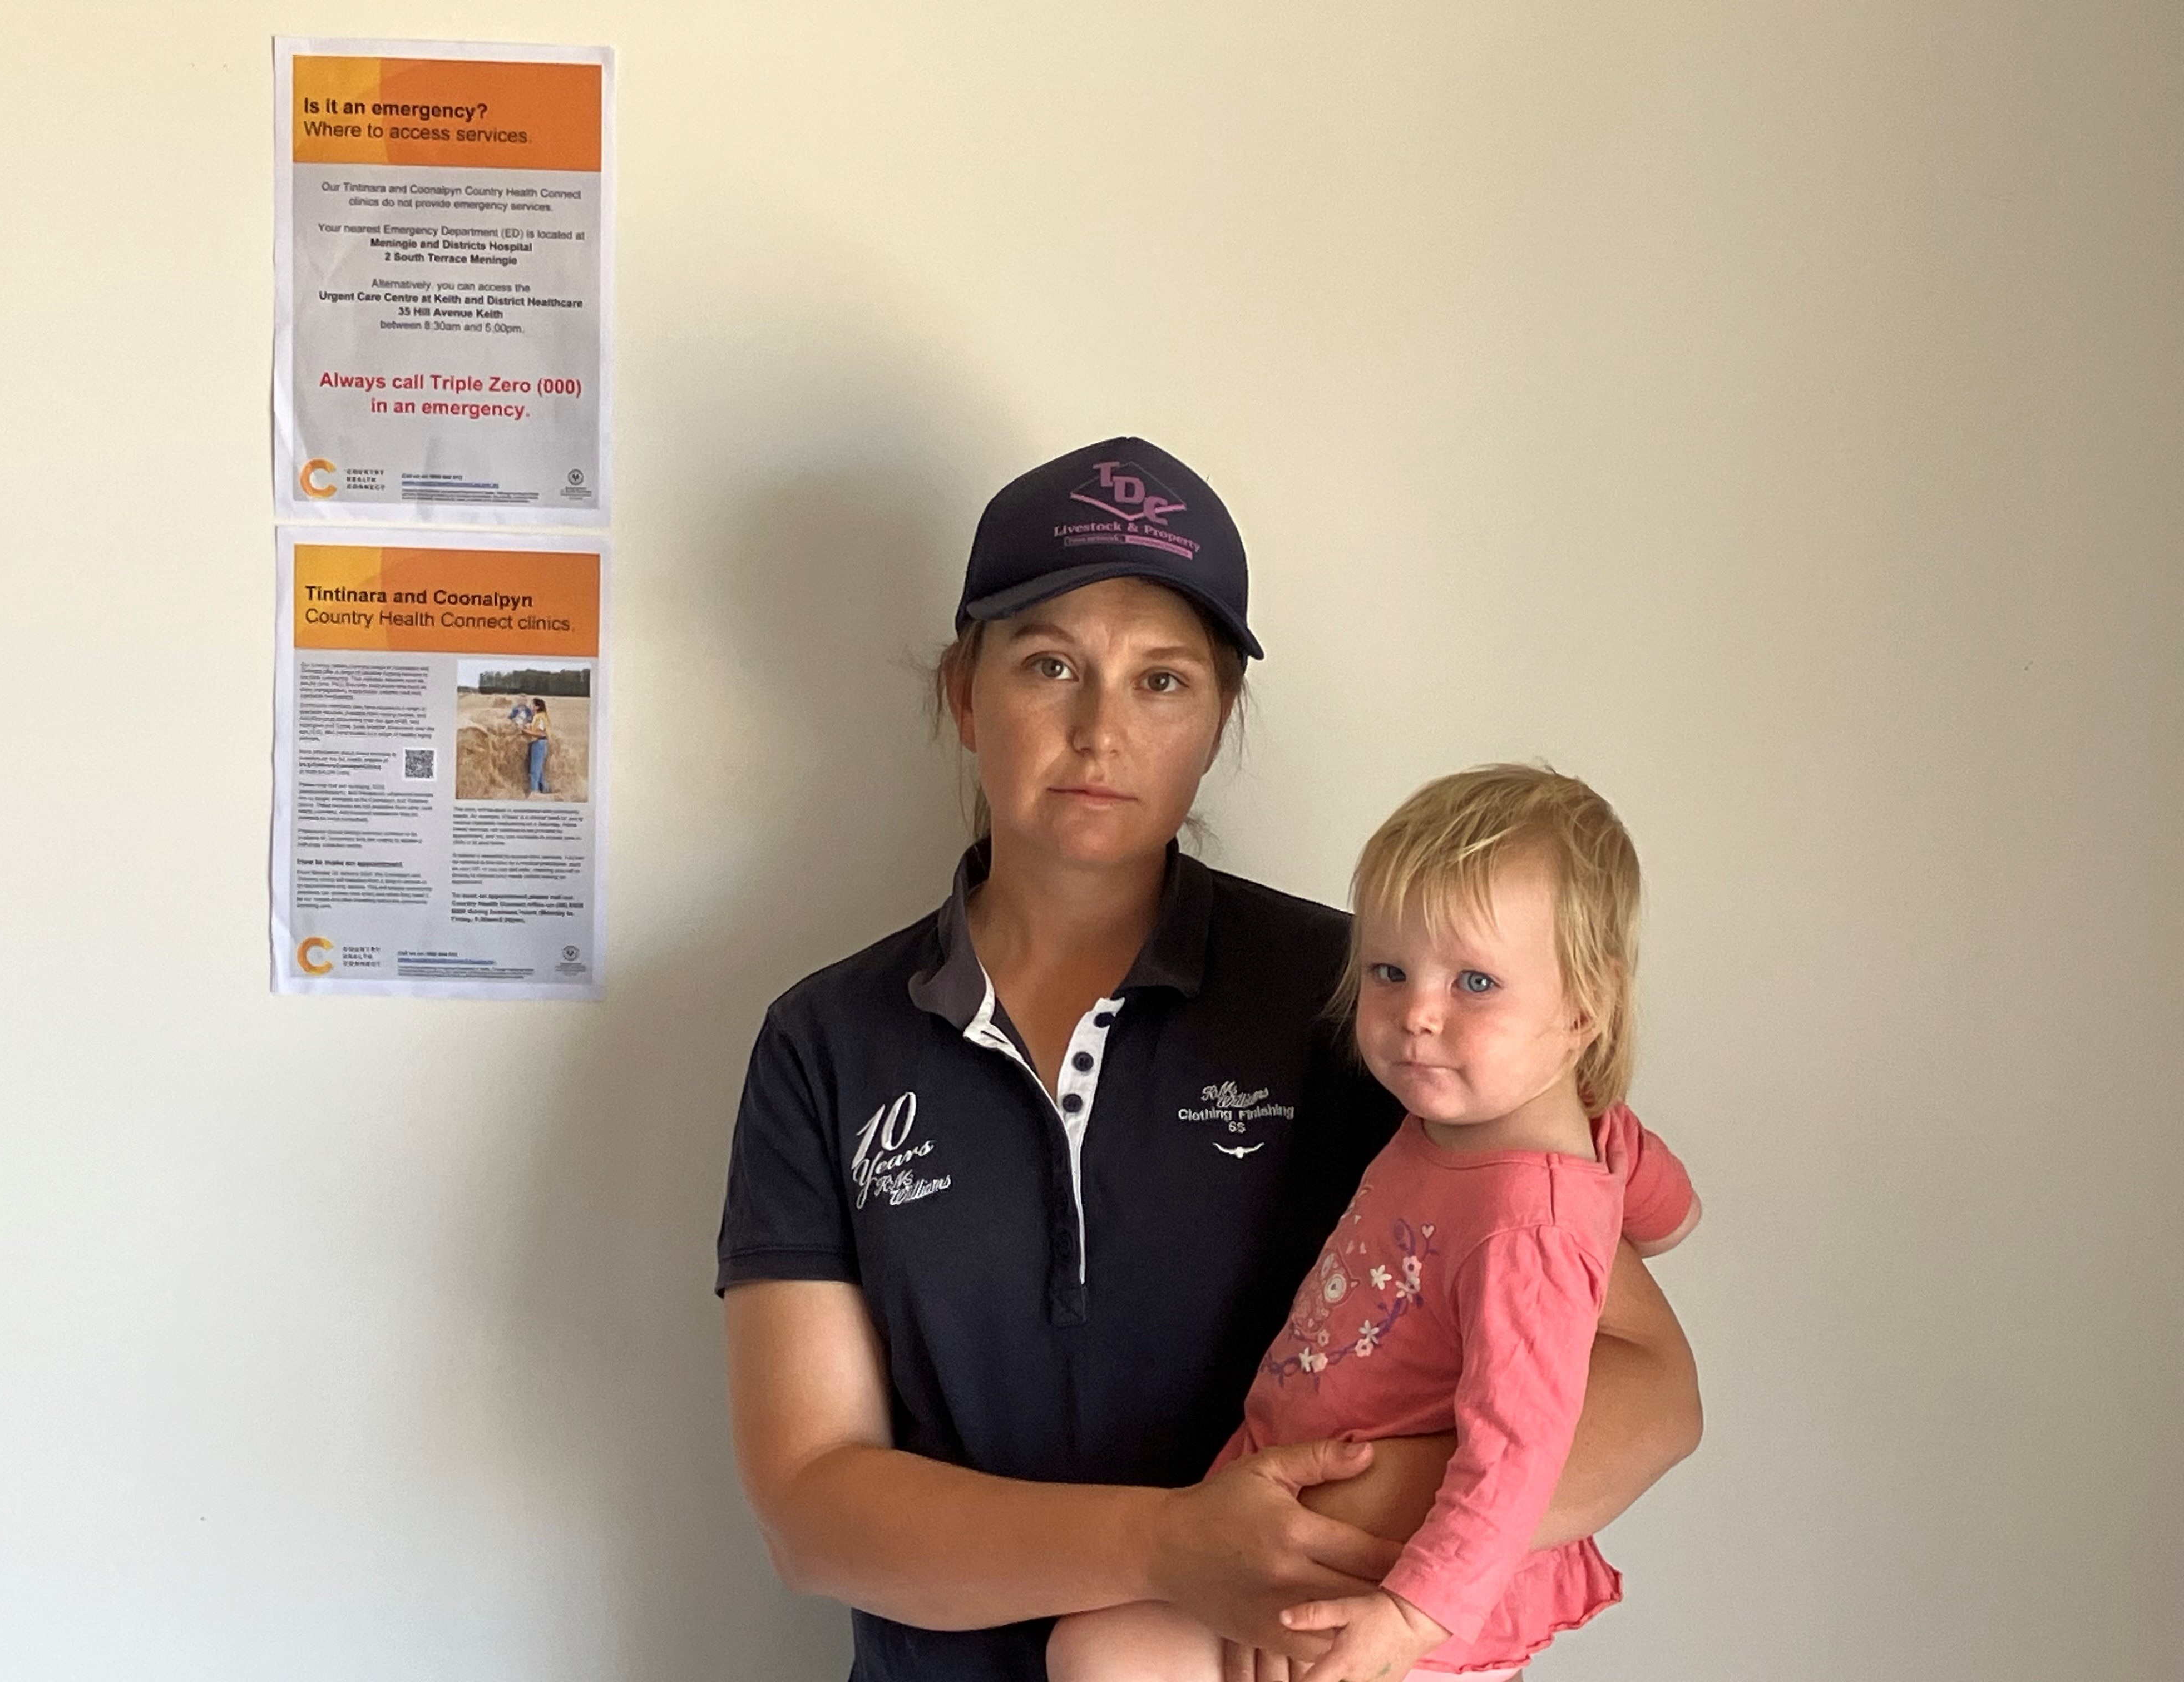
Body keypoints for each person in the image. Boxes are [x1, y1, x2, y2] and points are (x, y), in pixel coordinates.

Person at [717, 438, 1702, 1682]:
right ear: (965, 695)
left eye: (1163, 681)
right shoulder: (828, 1043)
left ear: (1220, 717)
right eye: (1050, 664)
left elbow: (1650, 1394)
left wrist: (1318, 1537)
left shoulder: (1375, 1001)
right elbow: (810, 1509)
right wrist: (1170, 1546)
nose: (1099, 728)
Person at [1046, 766, 1701, 1681]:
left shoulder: (1527, 1226)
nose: (1417, 1016)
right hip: (1298, 1514)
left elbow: (1517, 1454)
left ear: (1584, 1006)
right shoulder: (1526, 1117)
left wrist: (1406, 1614)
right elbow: (1656, 1188)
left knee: (1104, 1653)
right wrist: (1662, 1214)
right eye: (1390, 970)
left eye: (1475, 980)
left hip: (1409, 1591)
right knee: (1093, 1645)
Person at [522, 697, 550, 795]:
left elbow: (542, 734)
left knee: (535, 772)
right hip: (539, 744)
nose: (530, 707)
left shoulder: (540, 718)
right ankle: (546, 792)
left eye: (532, 705)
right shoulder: (538, 717)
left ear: (537, 707)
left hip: (539, 744)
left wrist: (526, 732)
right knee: (540, 771)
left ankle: (535, 794)